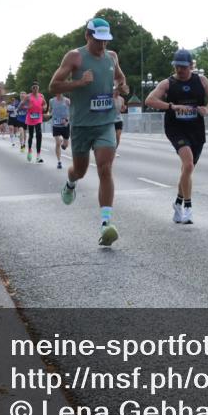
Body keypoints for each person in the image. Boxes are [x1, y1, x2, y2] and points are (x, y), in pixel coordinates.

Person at [49, 17, 129, 247]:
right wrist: (78, 83)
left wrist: (122, 87)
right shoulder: (74, 57)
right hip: (82, 124)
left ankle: (106, 224)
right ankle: (70, 182)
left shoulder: (112, 57)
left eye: (105, 41)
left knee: (105, 168)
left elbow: (122, 80)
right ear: (88, 35)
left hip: (105, 123)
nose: (102, 45)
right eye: (98, 40)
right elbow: (53, 86)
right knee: (81, 170)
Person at [144, 49, 208, 225]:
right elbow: (149, 100)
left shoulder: (201, 80)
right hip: (176, 128)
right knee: (187, 163)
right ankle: (188, 207)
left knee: (188, 169)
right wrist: (172, 106)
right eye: (177, 67)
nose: (180, 70)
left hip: (196, 129)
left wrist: (207, 109)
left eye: (183, 67)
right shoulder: (168, 83)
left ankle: (177, 203)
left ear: (191, 66)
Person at [24, 82, 47, 163]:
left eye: (36, 87)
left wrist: (44, 107)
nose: (35, 89)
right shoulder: (28, 97)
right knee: (31, 135)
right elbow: (23, 106)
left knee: (39, 134)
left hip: (38, 117)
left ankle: (38, 155)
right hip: (30, 118)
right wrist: (27, 107)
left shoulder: (41, 96)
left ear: (38, 88)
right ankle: (30, 150)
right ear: (31, 89)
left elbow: (45, 104)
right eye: (34, 87)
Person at [49, 92, 71, 169]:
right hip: (55, 125)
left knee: (65, 146)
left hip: (65, 125)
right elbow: (50, 110)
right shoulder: (51, 101)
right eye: (56, 91)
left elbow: (72, 111)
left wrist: (67, 120)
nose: (58, 93)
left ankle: (63, 144)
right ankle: (59, 161)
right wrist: (50, 114)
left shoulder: (67, 100)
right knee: (57, 143)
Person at [113, 88, 125, 154]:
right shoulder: (110, 98)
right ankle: (110, 149)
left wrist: (123, 108)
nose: (117, 92)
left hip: (119, 119)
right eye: (116, 91)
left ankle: (115, 149)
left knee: (118, 135)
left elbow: (122, 110)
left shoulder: (121, 99)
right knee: (111, 136)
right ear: (113, 91)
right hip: (111, 120)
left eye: (119, 91)